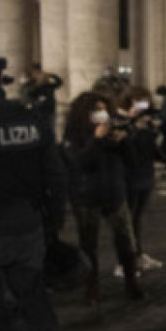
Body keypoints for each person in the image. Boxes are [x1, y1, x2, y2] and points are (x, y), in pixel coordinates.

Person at [0, 58, 73, 331]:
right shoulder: (29, 119)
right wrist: (54, 221)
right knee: (33, 295)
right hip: (26, 223)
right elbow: (55, 174)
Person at [61, 91, 143, 304]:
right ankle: (92, 286)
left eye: (104, 109)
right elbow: (80, 163)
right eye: (96, 110)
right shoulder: (75, 136)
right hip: (86, 196)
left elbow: (132, 163)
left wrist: (124, 141)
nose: (102, 113)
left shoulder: (113, 133)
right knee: (89, 243)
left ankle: (131, 282)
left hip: (114, 193)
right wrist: (96, 139)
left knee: (125, 240)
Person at [116, 86, 163, 275]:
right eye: (139, 101)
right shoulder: (122, 123)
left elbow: (157, 153)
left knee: (136, 220)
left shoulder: (148, 124)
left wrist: (153, 131)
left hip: (146, 175)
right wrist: (131, 124)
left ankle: (138, 254)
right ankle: (125, 262)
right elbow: (126, 151)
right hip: (128, 177)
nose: (143, 106)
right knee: (126, 222)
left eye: (146, 102)